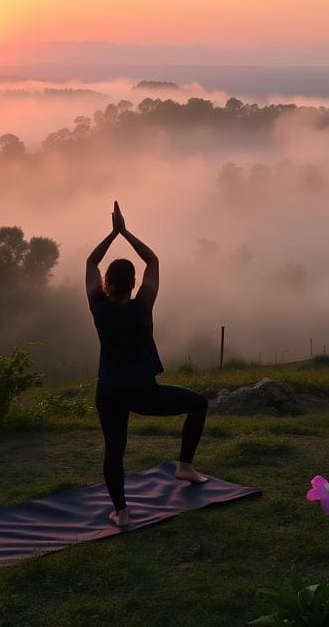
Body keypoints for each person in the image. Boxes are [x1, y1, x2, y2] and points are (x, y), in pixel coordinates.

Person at [86, 201, 208, 527]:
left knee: (115, 450)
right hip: (143, 391)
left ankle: (121, 512)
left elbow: (90, 262)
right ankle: (185, 465)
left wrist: (112, 234)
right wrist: (126, 231)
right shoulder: (143, 306)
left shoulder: (97, 305)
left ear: (107, 283)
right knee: (198, 404)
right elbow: (153, 260)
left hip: (109, 392)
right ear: (134, 283)